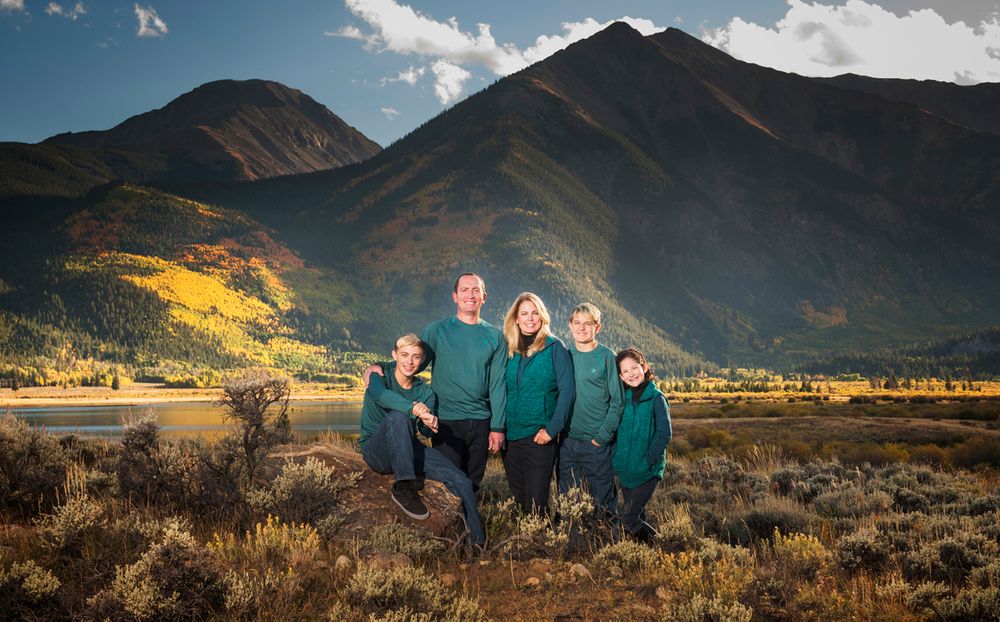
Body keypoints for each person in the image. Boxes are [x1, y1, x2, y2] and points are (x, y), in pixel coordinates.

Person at [366, 273, 507, 492]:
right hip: (447, 419)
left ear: (484, 297)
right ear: (455, 296)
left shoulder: (495, 336)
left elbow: (498, 384)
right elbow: (411, 361)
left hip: (481, 421)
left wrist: (497, 427)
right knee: (447, 484)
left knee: (473, 483)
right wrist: (380, 366)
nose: (470, 295)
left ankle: (468, 525)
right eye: (464, 290)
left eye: (476, 290)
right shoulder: (437, 330)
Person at [359, 333, 486, 546]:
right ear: (394, 355)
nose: (409, 362)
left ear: (422, 360)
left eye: (416, 357)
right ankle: (403, 487)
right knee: (398, 417)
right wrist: (413, 409)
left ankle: (477, 542)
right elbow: (381, 396)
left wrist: (428, 426)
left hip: (407, 448)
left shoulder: (426, 393)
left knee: (462, 480)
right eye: (405, 355)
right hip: (377, 451)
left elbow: (425, 434)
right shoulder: (379, 376)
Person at [500, 292, 574, 515]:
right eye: (524, 313)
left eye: (535, 313)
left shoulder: (554, 348)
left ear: (542, 317)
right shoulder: (508, 349)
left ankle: (541, 546)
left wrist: (552, 430)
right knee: (520, 499)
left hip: (539, 437)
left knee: (536, 504)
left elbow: (567, 391)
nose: (530, 318)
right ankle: (525, 545)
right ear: (516, 318)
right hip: (510, 437)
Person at [558, 303, 624, 519]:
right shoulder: (565, 356)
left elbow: (618, 401)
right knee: (569, 504)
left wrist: (602, 437)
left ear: (598, 327)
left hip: (597, 444)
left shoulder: (606, 356)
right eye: (577, 323)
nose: (582, 328)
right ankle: (572, 548)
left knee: (603, 505)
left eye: (588, 324)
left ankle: (608, 548)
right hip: (568, 442)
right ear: (570, 325)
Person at [613, 347, 672, 541]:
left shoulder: (657, 398)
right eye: (625, 371)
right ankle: (646, 557)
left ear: (644, 367)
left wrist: (648, 460)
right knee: (637, 515)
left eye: (634, 367)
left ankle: (663, 546)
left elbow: (664, 434)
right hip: (626, 470)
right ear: (621, 377)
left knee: (629, 517)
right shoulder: (623, 400)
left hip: (647, 470)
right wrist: (618, 457)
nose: (631, 374)